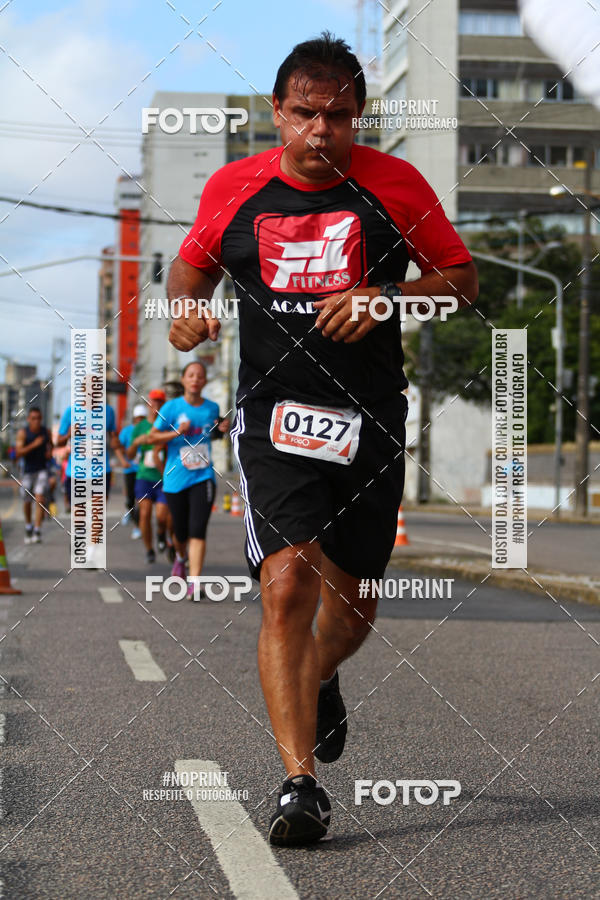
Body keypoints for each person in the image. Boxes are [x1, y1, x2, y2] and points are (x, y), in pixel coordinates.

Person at [167, 33, 478, 845]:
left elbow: (460, 282)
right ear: (278, 112)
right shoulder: (233, 188)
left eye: (338, 115)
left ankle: (321, 678)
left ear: (359, 118)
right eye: (304, 113)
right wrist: (186, 312)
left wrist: (387, 299)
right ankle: (298, 786)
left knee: (351, 612)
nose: (319, 130)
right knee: (287, 582)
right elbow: (190, 268)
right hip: (274, 414)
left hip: (371, 418)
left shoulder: (397, 185)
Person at [147, 363, 229, 598]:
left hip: (202, 476)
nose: (195, 379)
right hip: (175, 479)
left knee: (198, 529)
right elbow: (153, 437)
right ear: (183, 380)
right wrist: (175, 433)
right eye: (191, 375)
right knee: (180, 532)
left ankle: (195, 582)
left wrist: (222, 429)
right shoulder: (171, 408)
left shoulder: (212, 408)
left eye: (200, 376)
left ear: (204, 382)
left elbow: (213, 433)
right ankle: (180, 557)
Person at [126, 390, 169, 565]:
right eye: (154, 402)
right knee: (144, 514)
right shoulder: (140, 427)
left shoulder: (168, 424)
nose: (156, 406)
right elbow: (129, 454)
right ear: (148, 405)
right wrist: (136, 443)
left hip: (163, 477)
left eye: (160, 403)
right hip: (144, 476)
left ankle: (160, 534)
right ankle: (149, 549)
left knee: (161, 516)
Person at [15, 407, 52, 544]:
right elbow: (18, 453)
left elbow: (50, 446)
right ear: (29, 419)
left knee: (40, 498)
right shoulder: (23, 433)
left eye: (38, 418)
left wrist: (49, 453)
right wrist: (34, 445)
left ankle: (37, 529)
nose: (36, 421)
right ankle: (28, 526)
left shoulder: (45, 432)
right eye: (33, 418)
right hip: (27, 472)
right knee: (26, 501)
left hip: (42, 470)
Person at [120, 406, 145, 539]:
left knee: (140, 499)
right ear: (134, 419)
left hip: (143, 470)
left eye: (143, 418)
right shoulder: (126, 431)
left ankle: (137, 527)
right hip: (130, 469)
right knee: (130, 499)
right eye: (138, 418)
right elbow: (119, 446)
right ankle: (129, 511)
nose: (140, 421)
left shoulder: (148, 429)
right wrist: (124, 458)